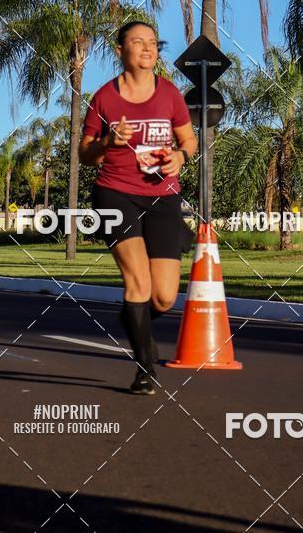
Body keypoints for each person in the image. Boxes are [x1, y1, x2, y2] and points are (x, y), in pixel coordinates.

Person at [79, 22, 198, 395]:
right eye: (137, 42)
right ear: (120, 50)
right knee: (138, 283)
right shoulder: (104, 98)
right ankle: (145, 369)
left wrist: (179, 156)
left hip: (163, 197)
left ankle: (135, 316)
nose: (147, 48)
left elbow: (189, 140)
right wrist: (107, 142)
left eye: (152, 42)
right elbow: (85, 155)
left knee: (163, 296)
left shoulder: (169, 95)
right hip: (115, 194)